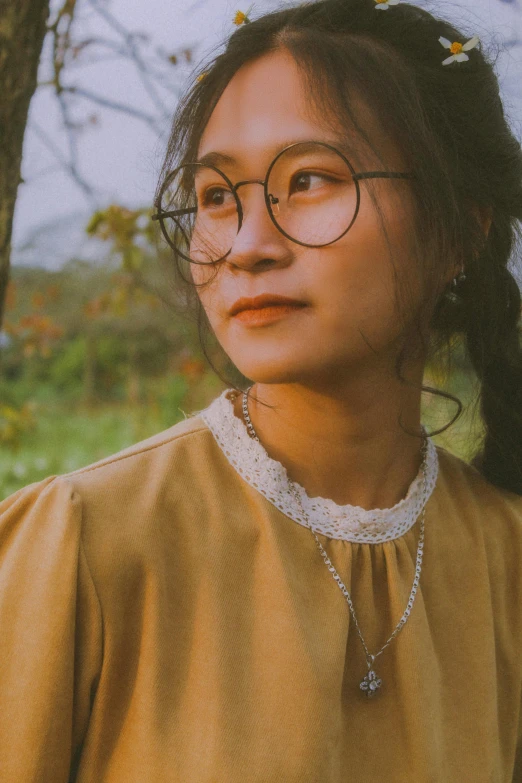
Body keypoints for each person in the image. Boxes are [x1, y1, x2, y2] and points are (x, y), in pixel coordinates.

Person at [1, 0, 522, 779]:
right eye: (217, 197)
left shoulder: (507, 561)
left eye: (307, 180)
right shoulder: (83, 544)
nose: (245, 247)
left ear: (460, 230)